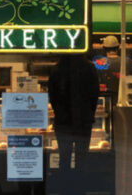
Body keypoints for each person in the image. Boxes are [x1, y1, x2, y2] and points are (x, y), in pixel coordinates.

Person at [48, 54, 100, 195]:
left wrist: (59, 114)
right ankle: (79, 190)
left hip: (63, 123)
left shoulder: (57, 69)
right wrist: (89, 115)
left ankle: (65, 190)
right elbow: (94, 95)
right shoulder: (89, 68)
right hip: (83, 123)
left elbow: (52, 97)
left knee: (64, 160)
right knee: (81, 161)